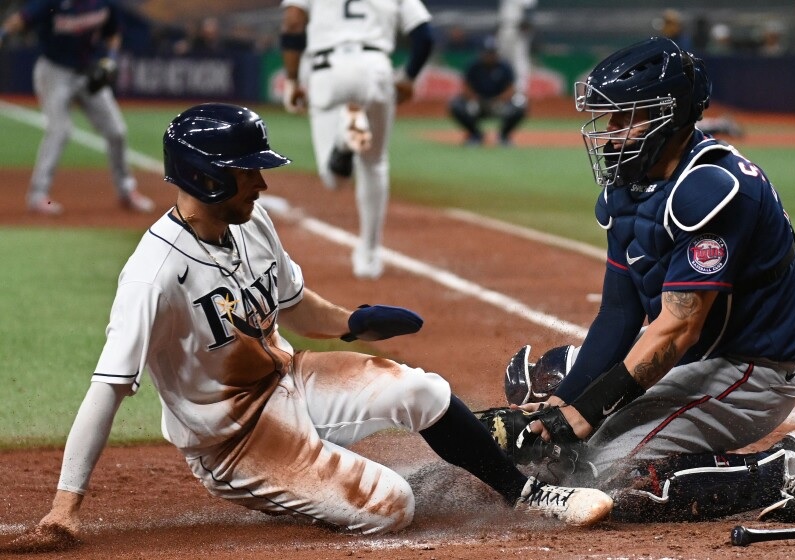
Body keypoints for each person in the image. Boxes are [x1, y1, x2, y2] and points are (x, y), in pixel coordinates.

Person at [5, 103, 614, 553]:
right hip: (235, 442)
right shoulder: (154, 274)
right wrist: (65, 507)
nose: (263, 182)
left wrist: (352, 323)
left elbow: (292, 304)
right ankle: (349, 477)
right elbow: (108, 386)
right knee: (391, 507)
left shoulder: (251, 223)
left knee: (423, 390)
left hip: (290, 379)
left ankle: (525, 492)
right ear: (209, 177)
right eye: (250, 172)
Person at [482, 36, 795, 524]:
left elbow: (678, 328)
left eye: (625, 118)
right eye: (607, 119)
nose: (608, 135)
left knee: (603, 479)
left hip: (750, 372)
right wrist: (562, 407)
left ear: (670, 118)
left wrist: (584, 415)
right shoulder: (630, 186)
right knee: (558, 424)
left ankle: (781, 469)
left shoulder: (711, 188)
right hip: (695, 363)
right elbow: (621, 313)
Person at [280, 0, 434, 280]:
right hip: (375, 68)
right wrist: (409, 77)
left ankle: (343, 138)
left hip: (327, 69)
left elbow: (292, 21)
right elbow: (425, 35)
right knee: (374, 164)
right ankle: (368, 255)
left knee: (333, 178)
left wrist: (292, 80)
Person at [0, 0, 155, 216]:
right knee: (60, 131)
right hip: (54, 71)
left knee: (117, 131)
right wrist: (3, 34)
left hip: (87, 71)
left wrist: (110, 59)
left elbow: (113, 33)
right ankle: (38, 195)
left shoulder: (102, 3)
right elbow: (21, 20)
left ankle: (127, 191)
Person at [448, 36, 527, 146]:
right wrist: (477, 100)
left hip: (499, 103)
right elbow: (465, 87)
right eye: (488, 53)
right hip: (477, 102)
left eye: (493, 52)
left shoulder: (504, 66)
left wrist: (498, 100)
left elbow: (511, 89)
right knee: (456, 105)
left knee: (520, 104)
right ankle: (475, 135)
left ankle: (504, 136)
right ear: (482, 53)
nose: (490, 56)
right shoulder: (473, 66)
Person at [496, 0, 537, 100]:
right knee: (502, 61)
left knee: (519, 62)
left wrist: (527, 24)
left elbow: (529, 9)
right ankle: (501, 91)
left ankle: (520, 93)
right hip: (503, 28)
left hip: (518, 29)